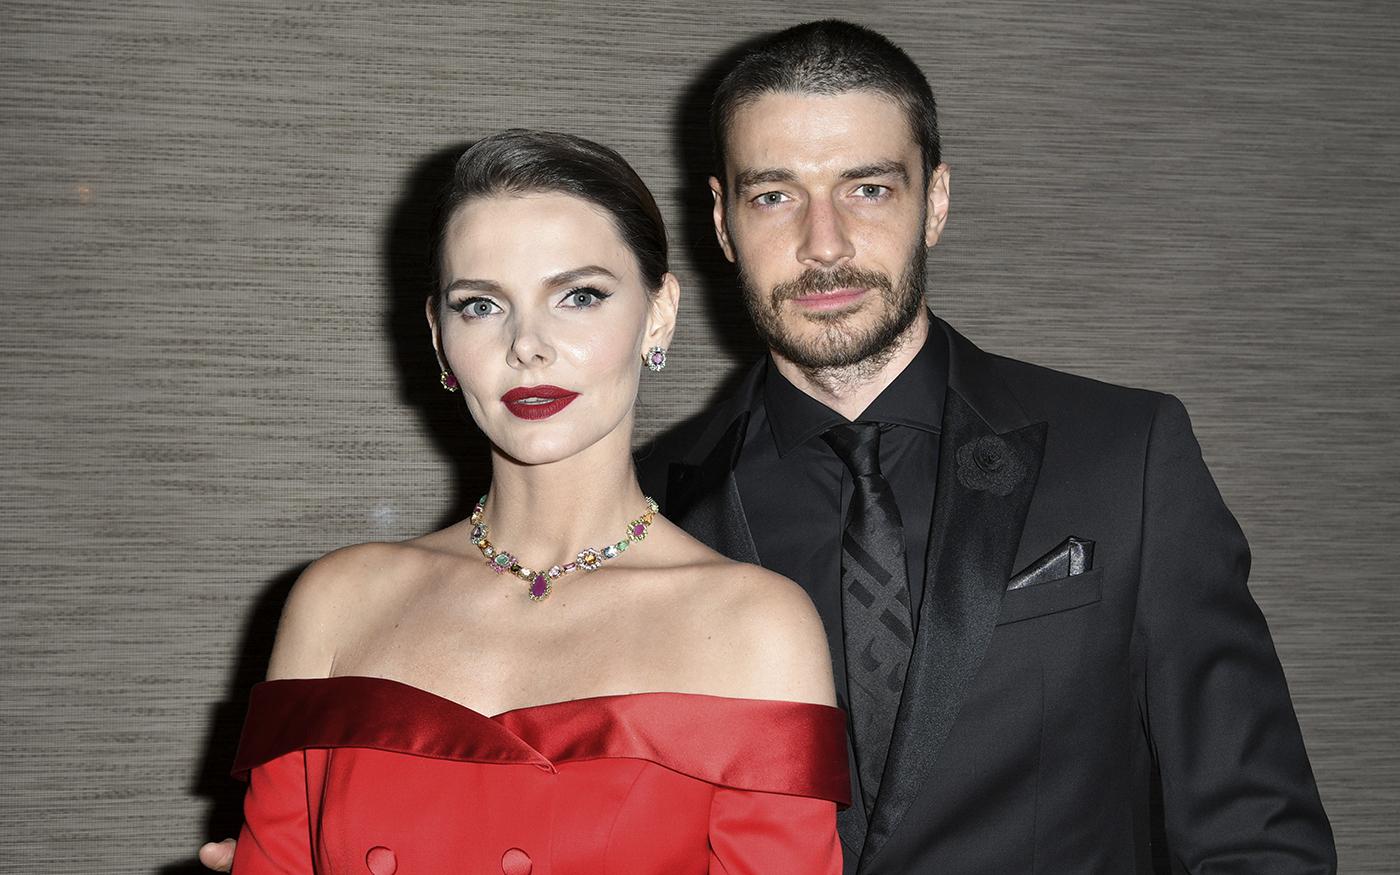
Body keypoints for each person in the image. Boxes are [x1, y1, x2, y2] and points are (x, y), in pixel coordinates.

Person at [203, 20, 1337, 875]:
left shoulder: (1125, 454)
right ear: (720, 221)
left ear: (936, 200)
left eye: (868, 188)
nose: (824, 242)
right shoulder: (656, 501)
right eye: (774, 195)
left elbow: (1255, 832)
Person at [213, 130, 848, 874]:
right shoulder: (336, 602)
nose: (527, 345)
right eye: (481, 305)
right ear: (438, 336)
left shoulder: (756, 627)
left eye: (579, 296)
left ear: (658, 313)